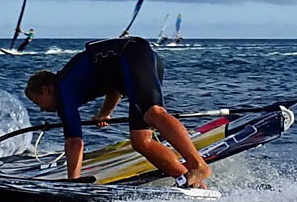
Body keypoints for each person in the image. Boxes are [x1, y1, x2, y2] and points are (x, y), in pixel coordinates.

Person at [24, 36, 212, 187]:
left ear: (47, 89)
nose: (40, 108)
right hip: (139, 60)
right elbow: (114, 87)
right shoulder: (72, 83)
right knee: (141, 140)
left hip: (132, 55)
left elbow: (74, 141)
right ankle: (189, 180)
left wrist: (73, 183)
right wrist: (105, 113)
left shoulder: (63, 90)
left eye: (37, 101)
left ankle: (198, 165)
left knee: (153, 113)